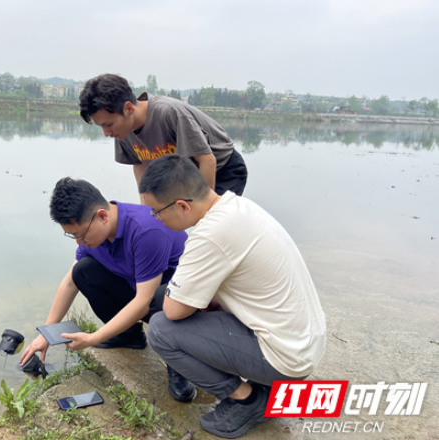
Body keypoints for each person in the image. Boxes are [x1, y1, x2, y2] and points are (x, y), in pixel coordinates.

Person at [138, 155, 326, 439]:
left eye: (156, 212)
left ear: (182, 206)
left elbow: (174, 312)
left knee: (162, 329)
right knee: (171, 297)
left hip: (286, 359)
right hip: (303, 341)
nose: (155, 218)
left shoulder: (209, 235)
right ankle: (261, 387)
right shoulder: (236, 206)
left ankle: (246, 399)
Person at [19, 177, 196, 402]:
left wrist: (93, 338)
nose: (79, 242)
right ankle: (129, 336)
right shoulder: (97, 235)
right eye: (73, 236)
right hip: (143, 291)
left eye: (80, 235)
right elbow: (69, 282)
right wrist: (46, 333)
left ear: (102, 215)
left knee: (162, 296)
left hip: (178, 301)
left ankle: (180, 363)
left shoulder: (146, 230)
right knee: (83, 271)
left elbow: (144, 300)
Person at [79, 73, 248, 198]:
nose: (106, 133)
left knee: (210, 224)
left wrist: (205, 211)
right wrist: (145, 203)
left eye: (108, 125)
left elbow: (207, 159)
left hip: (222, 169)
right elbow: (139, 164)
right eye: (101, 126)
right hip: (182, 176)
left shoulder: (169, 113)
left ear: (129, 108)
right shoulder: (122, 129)